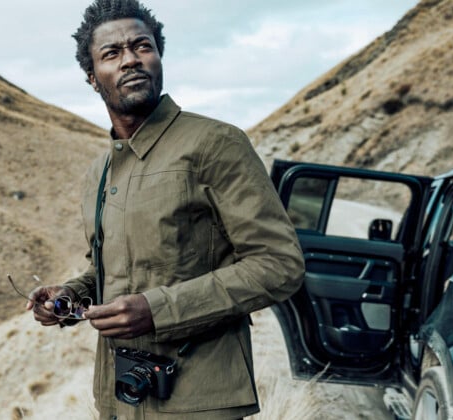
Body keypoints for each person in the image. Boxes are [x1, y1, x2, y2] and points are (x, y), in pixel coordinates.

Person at [25, 0, 305, 418]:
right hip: (119, 400)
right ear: (91, 77)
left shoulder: (216, 143)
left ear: (159, 57)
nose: (131, 60)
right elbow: (111, 270)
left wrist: (157, 311)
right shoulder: (98, 172)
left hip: (199, 401)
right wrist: (71, 296)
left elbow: (280, 265)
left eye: (143, 46)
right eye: (112, 53)